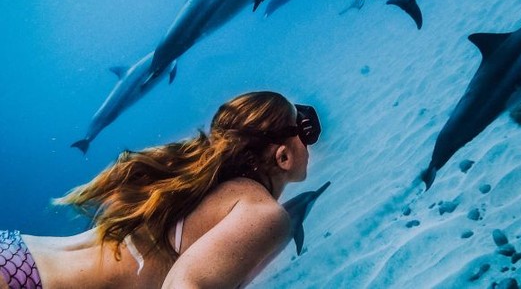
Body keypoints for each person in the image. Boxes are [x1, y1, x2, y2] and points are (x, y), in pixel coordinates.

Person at [0, 91, 321, 289]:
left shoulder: (194, 183)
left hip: (15, 253)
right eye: (305, 135)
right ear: (283, 155)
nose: (310, 144)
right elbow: (184, 284)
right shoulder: (265, 213)